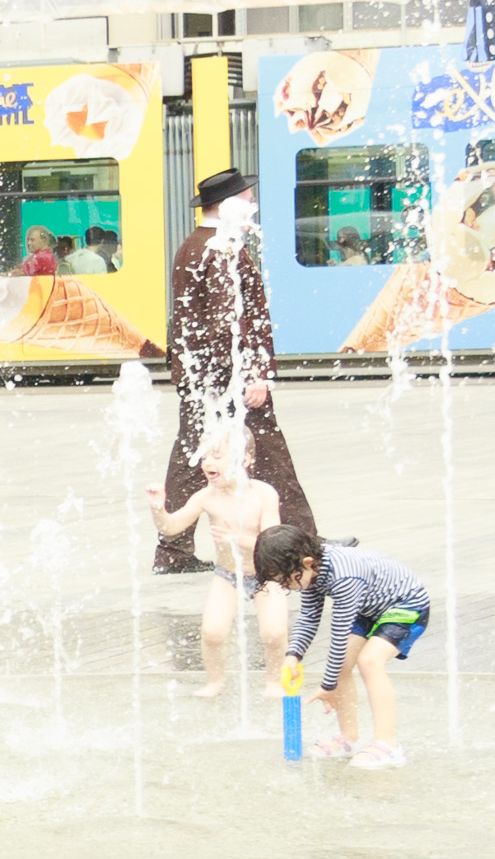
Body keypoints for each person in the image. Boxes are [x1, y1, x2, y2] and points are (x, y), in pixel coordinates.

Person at [155, 168, 320, 575]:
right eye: (248, 199)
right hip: (225, 378)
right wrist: (252, 374)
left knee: (194, 455)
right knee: (265, 451)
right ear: (228, 205)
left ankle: (173, 552)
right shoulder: (219, 248)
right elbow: (228, 321)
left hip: (204, 376)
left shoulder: (197, 244)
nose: (252, 206)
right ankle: (303, 542)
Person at [261, 524, 426, 769]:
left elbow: (338, 634)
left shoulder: (344, 576)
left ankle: (388, 744)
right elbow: (309, 617)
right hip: (370, 607)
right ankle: (349, 738)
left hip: (405, 604)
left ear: (306, 562)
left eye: (286, 581)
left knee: (370, 661)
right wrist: (292, 656)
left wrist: (328, 686)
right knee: (343, 666)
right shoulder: (311, 571)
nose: (286, 588)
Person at [152, 429, 289, 698]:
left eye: (216, 456)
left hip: (266, 574)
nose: (207, 463)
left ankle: (274, 682)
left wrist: (239, 538)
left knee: (274, 633)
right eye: (205, 457)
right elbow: (171, 527)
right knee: (212, 632)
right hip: (228, 575)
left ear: (246, 459)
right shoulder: (206, 496)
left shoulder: (263, 494)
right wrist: (158, 509)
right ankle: (215, 682)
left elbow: (273, 543)